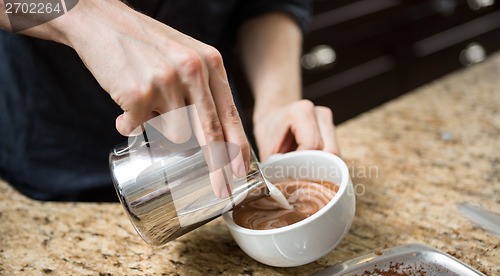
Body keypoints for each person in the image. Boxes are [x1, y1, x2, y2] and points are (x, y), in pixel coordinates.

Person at [0, 0, 339, 202]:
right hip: (45, 178)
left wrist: (275, 105)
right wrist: (81, 14)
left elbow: (265, 4)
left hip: (208, 163)